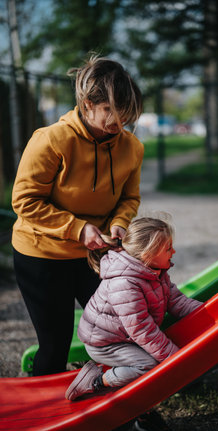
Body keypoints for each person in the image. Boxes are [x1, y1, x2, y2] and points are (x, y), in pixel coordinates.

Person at [11, 54, 144, 377]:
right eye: (110, 111)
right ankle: (47, 420)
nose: (119, 123)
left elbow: (129, 197)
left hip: (95, 255)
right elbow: (25, 201)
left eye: (126, 114)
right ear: (87, 104)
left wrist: (119, 223)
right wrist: (78, 229)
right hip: (42, 254)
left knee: (119, 334)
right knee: (55, 345)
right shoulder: (51, 140)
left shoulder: (132, 147)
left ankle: (125, 413)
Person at [65, 217, 203, 431]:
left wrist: (209, 314)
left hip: (125, 336)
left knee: (149, 365)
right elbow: (142, 329)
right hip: (104, 342)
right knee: (149, 366)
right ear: (148, 255)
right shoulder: (125, 283)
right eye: (168, 248)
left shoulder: (157, 270)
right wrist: (173, 357)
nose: (174, 251)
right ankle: (95, 380)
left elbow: (177, 301)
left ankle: (134, 416)